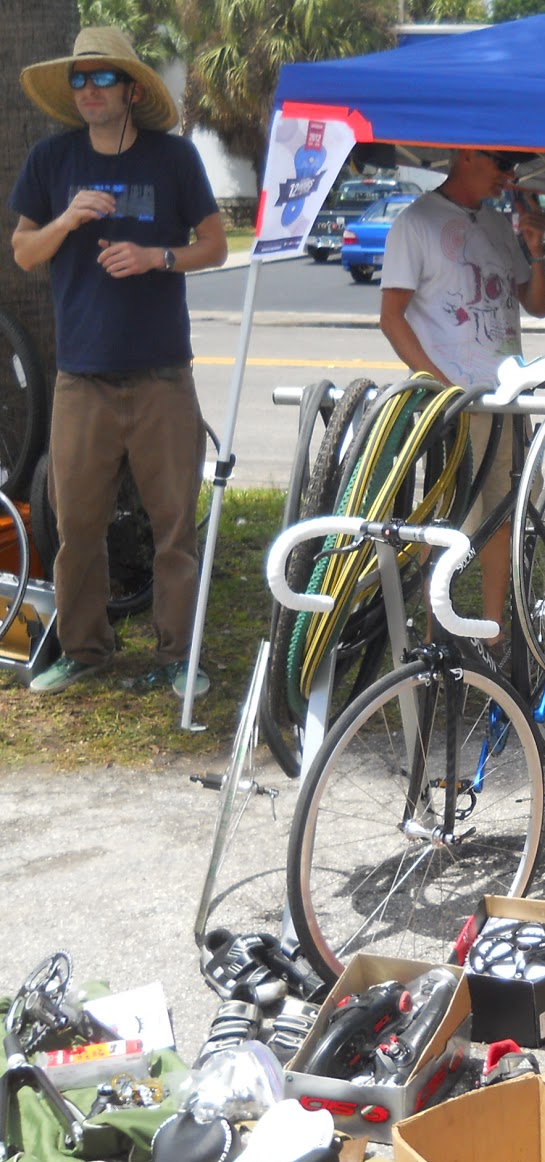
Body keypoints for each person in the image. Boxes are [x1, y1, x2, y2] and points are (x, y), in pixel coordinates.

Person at [10, 27, 228, 697]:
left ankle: (179, 657)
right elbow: (24, 252)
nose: (88, 90)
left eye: (102, 77)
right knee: (75, 525)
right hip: (82, 379)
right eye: (79, 79)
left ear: (132, 90)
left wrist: (157, 257)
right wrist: (66, 221)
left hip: (163, 374)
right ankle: (85, 650)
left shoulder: (173, 158)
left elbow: (215, 245)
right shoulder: (52, 160)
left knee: (174, 526)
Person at [378, 147, 545, 649]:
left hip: (508, 399)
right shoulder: (416, 223)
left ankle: (493, 635)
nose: (509, 175)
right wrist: (440, 386)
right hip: (457, 406)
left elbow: (537, 304)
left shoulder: (497, 224)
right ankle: (438, 640)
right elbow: (391, 318)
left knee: (503, 517)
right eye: (503, 163)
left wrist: (536, 249)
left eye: (514, 166)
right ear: (469, 154)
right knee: (448, 527)